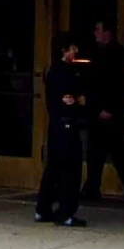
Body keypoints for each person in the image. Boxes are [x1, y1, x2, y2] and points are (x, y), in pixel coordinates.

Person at [34, 32, 90, 227]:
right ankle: (65, 212)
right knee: (70, 169)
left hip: (55, 125)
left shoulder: (52, 71)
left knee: (53, 167)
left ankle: (43, 208)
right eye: (72, 48)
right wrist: (79, 101)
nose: (76, 51)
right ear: (63, 50)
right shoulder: (66, 72)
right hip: (67, 125)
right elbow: (72, 101)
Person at [81, 20, 124, 202]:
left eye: (98, 29)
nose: (95, 33)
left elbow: (120, 85)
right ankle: (91, 187)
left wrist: (110, 109)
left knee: (120, 154)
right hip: (97, 113)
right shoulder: (95, 53)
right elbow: (92, 83)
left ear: (107, 32)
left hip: (114, 114)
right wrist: (94, 108)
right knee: (95, 153)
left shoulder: (119, 54)